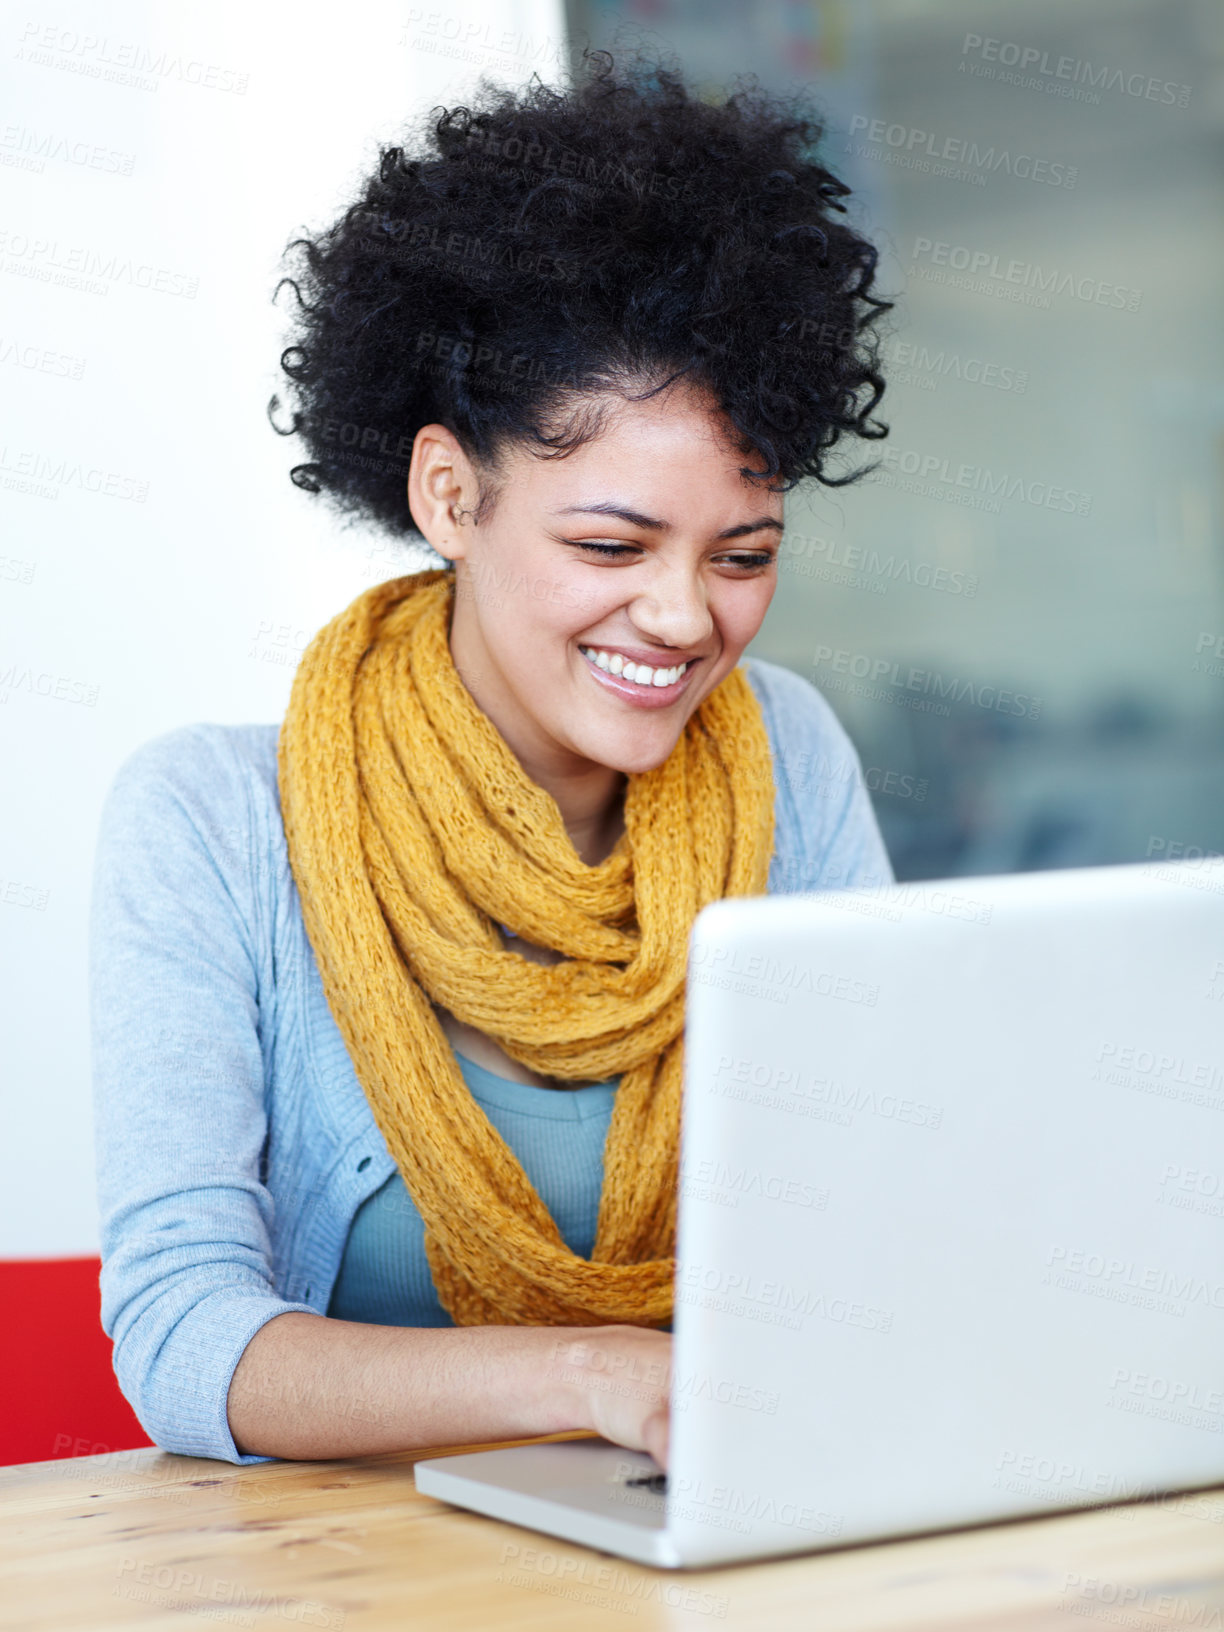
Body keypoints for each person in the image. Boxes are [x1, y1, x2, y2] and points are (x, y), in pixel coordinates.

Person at [90, 49, 894, 1471]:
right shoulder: (212, 821)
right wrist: (598, 1376)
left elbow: (883, 1203)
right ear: (448, 493)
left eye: (745, 554)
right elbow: (181, 1339)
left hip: (714, 1536)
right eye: (609, 545)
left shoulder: (791, 760)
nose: (683, 617)